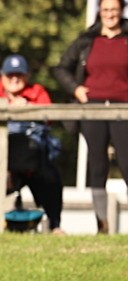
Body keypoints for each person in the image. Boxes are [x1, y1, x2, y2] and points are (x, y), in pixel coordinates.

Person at [55, 0, 128, 234]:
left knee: (126, 163)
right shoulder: (86, 40)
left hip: (123, 108)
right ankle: (102, 224)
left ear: (121, 11)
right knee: (97, 166)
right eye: (105, 10)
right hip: (93, 108)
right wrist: (76, 89)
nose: (109, 14)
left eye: (114, 10)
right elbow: (61, 68)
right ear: (99, 12)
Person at [0, 55, 64, 233]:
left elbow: (50, 118)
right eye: (10, 75)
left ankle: (55, 226)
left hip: (32, 160)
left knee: (51, 178)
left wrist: (27, 107)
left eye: (19, 75)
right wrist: (10, 105)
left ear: (27, 75)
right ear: (2, 76)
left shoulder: (37, 92)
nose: (15, 79)